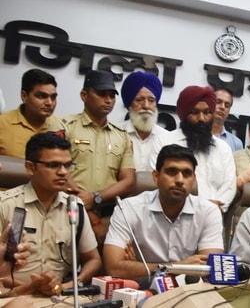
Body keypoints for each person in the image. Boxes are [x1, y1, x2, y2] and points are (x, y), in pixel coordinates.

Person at [0, 133, 101, 295]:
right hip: (12, 295)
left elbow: (93, 259)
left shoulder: (74, 206)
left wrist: (72, 285)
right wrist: (35, 286)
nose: (63, 172)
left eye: (67, 165)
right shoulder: (5, 205)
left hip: (59, 295)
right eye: (53, 165)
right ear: (30, 168)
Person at [103, 144, 224, 279]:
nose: (179, 180)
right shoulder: (128, 208)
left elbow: (211, 270)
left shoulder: (209, 211)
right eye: (172, 171)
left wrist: (141, 267)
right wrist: (179, 266)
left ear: (194, 180)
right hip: (141, 290)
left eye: (187, 174)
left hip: (190, 292)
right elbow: (114, 268)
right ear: (155, 176)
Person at [48, 70, 135, 245]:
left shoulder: (122, 136)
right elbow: (56, 171)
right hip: (67, 212)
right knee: (62, 267)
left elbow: (128, 182)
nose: (108, 100)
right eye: (102, 94)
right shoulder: (64, 126)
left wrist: (96, 197)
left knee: (106, 271)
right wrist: (90, 216)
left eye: (112, 95)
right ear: (84, 95)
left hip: (109, 220)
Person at [149, 85, 236, 212]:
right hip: (172, 213)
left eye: (207, 113)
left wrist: (210, 210)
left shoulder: (223, 148)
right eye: (195, 112)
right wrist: (196, 207)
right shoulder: (164, 141)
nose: (201, 118)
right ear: (184, 115)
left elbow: (229, 186)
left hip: (213, 216)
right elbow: (158, 181)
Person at [0, 69, 59, 158]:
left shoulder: (61, 126)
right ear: (24, 96)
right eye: (41, 96)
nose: (49, 103)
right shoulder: (2, 123)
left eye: (53, 97)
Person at [118, 71, 168, 171]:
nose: (146, 106)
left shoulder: (166, 138)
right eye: (140, 99)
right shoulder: (116, 133)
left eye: (151, 100)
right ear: (130, 104)